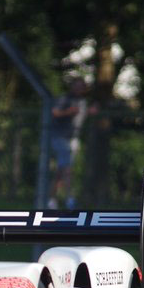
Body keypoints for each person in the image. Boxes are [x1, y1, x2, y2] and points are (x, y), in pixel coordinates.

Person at [49, 77, 94, 209]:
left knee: (61, 170)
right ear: (72, 87)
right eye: (76, 86)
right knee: (67, 168)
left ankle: (51, 200)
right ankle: (70, 199)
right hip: (60, 137)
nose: (79, 89)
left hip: (74, 138)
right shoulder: (65, 99)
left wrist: (90, 112)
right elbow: (55, 112)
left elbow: (81, 115)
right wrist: (68, 112)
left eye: (81, 86)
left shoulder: (83, 102)